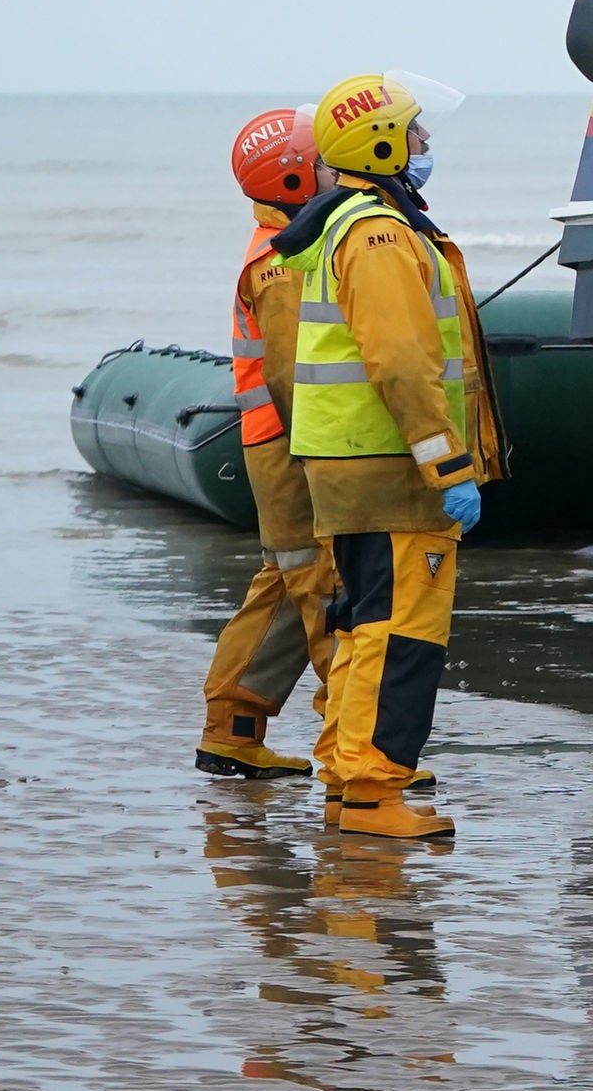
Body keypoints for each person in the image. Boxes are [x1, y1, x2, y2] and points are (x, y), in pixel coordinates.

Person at [276, 75, 501, 842]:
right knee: (401, 631)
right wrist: (447, 464)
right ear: (379, 145)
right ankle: (373, 794)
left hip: (354, 465)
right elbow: (402, 362)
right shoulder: (378, 235)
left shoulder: (350, 225)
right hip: (389, 468)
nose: (425, 145)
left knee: (364, 623)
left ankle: (348, 779)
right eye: (414, 133)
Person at [192, 109, 334, 780]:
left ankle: (232, 726)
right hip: (292, 449)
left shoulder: (283, 248)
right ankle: (354, 744)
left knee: (283, 585)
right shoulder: (283, 266)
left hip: (274, 442)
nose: (339, 173)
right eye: (328, 164)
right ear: (296, 177)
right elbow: (293, 375)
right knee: (325, 584)